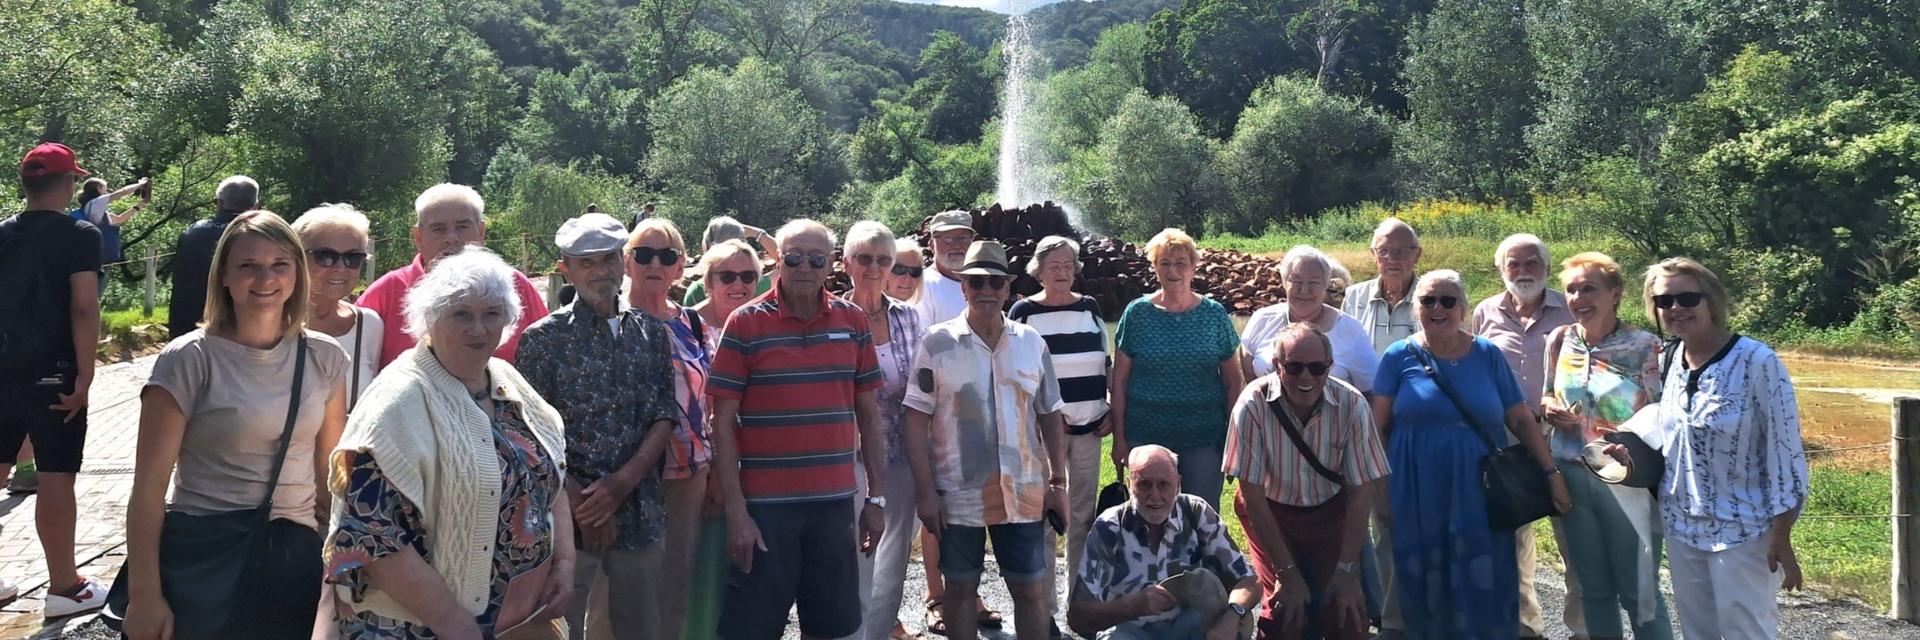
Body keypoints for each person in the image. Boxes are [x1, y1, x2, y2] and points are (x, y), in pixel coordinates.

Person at [324, 247, 574, 638]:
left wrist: (564, 563)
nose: (478, 328)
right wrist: (450, 621)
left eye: (491, 313)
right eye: (461, 314)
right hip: (418, 627)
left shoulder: (506, 379)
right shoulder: (398, 400)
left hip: (518, 622)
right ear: (430, 318)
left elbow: (553, 471)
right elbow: (372, 536)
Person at [123, 211, 350, 638]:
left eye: (279, 264)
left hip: (292, 560)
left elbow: (329, 478)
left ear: (297, 274)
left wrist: (336, 572)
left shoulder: (327, 357)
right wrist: (145, 595)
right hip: (208, 555)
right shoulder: (189, 359)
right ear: (224, 276)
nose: (265, 278)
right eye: (248, 265)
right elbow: (148, 491)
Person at [707, 219, 888, 639]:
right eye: (793, 256)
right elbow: (722, 421)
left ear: (830, 266)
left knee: (832, 628)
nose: (804, 266)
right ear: (778, 260)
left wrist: (875, 498)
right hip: (765, 511)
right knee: (751, 630)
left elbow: (870, 414)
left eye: (816, 258)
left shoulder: (853, 321)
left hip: (834, 506)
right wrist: (737, 514)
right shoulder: (745, 323)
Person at [1610, 258, 1807, 639]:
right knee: (1698, 633)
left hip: (1744, 530)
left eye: (1687, 298)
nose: (1676, 308)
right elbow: (1672, 432)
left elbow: (1785, 453)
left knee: (1746, 633)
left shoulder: (1757, 361)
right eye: (1664, 301)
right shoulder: (1671, 359)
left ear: (1711, 300)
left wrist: (1781, 535)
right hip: (1682, 525)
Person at [1370, 269, 1570, 639]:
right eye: (1428, 300)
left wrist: (1551, 473)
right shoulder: (1398, 356)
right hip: (1416, 485)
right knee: (1424, 574)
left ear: (1463, 308)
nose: (1437, 308)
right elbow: (1377, 429)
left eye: (1447, 300)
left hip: (1480, 488)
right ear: (1417, 308)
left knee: (1483, 574)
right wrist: (1380, 489)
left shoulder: (1487, 354)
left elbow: (1521, 419)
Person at [518, 213, 681, 640]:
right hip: (565, 518)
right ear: (565, 269)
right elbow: (530, 435)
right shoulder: (542, 339)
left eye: (607, 259)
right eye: (585, 262)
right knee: (555, 628)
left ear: (622, 262)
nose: (599, 271)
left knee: (642, 629)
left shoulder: (650, 331)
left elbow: (664, 414)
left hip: (640, 510)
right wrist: (583, 503)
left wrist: (621, 485)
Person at [903, 239, 1070, 640]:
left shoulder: (1032, 342)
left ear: (1008, 288)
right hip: (958, 493)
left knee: (1030, 590)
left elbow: (1050, 413)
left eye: (995, 283)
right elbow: (913, 419)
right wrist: (925, 492)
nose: (986, 291)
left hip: (1023, 491)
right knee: (959, 589)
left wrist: (1058, 483)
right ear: (963, 287)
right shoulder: (936, 343)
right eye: (976, 282)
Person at [1538, 252, 1673, 640]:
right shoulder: (1560, 339)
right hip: (1572, 476)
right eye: (1571, 289)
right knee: (1592, 589)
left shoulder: (1646, 346)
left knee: (1639, 592)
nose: (1579, 298)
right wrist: (1550, 408)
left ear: (1615, 294)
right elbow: (1547, 393)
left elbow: (1664, 416)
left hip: (1626, 482)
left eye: (1589, 289)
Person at [1226, 323, 1388, 640]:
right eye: (1294, 367)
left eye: (1316, 368)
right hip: (1272, 513)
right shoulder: (1252, 405)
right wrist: (1287, 573)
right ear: (1276, 366)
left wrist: (1347, 570)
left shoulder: (1352, 404)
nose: (1306, 378)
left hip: (1329, 512)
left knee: (1346, 613)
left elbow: (1360, 491)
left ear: (1329, 367)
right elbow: (1252, 497)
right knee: (1286, 613)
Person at [0, 142, 105, 614]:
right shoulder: (81, 233)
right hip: (54, 372)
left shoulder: (2, 233)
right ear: (67, 185)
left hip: (2, 370)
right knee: (56, 477)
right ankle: (64, 587)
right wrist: (84, 376)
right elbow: (84, 306)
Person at [1471, 233, 1579, 640]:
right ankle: (1526, 629)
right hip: (1508, 442)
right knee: (1514, 544)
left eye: (1531, 262)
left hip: (1563, 440)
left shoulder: (1570, 307)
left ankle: (1581, 628)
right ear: (1501, 270)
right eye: (1513, 264)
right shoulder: (1484, 313)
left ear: (1547, 268)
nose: (1522, 271)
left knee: (1573, 540)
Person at [1007, 234, 1110, 630]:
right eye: (1055, 266)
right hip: (1043, 436)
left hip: (1089, 429)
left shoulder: (1090, 307)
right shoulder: (1023, 311)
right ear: (1038, 271)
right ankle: (1044, 610)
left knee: (1082, 517)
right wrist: (1036, 417)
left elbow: (1105, 360)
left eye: (1069, 266)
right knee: (1045, 516)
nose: (1063, 273)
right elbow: (1014, 372)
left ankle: (1078, 605)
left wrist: (1111, 410)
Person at [622, 218, 718, 638]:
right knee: (620, 595)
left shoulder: (693, 324)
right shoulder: (611, 322)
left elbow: (711, 397)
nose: (654, 264)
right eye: (643, 254)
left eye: (666, 256)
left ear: (681, 267)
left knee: (675, 584)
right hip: (627, 478)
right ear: (627, 262)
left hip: (687, 474)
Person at [1110, 228, 1243, 510]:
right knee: (1147, 514)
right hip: (1145, 434)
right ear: (1155, 268)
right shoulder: (1136, 314)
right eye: (1164, 263)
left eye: (1180, 263)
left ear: (1194, 267)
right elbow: (1119, 381)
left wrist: (1232, 441)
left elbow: (1233, 381)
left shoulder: (1214, 314)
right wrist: (1119, 439)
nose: (1173, 270)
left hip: (1204, 437)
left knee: (1201, 516)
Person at [1068, 445, 1260, 639]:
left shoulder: (1196, 513)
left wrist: (1233, 614)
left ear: (1178, 484)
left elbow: (1250, 580)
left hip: (1188, 627)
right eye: (1145, 484)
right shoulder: (1109, 527)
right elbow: (1077, 617)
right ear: (1129, 483)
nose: (1155, 495)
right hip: (1130, 630)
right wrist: (1131, 607)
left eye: (1163, 485)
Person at [841, 222, 930, 640]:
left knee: (894, 559)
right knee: (858, 556)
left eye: (882, 260)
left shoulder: (910, 319)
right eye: (864, 258)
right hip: (851, 458)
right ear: (846, 264)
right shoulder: (833, 317)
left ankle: (877, 634)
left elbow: (924, 387)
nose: (873, 267)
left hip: (904, 453)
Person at [357, 183, 549, 369]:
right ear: (418, 237)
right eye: (438, 228)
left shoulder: (514, 285)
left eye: (462, 226)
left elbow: (546, 356)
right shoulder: (386, 292)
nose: (452, 238)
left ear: (481, 232)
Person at [683, 239, 764, 640]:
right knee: (706, 577)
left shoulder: (760, 324)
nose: (738, 284)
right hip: (707, 474)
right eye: (726, 276)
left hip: (760, 471)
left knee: (752, 583)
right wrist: (716, 471)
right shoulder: (688, 327)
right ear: (707, 280)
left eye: (747, 276)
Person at [1239, 246, 1379, 391]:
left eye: (1313, 282)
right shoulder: (1262, 320)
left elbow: (1372, 393)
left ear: (1326, 284)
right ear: (1284, 282)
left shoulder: (1351, 331)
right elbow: (1248, 380)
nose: (1304, 289)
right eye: (1296, 280)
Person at [292, 204, 383, 409]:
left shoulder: (368, 325)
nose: (340, 268)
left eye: (353, 258)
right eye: (325, 256)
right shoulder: (273, 322)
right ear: (297, 257)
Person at [169, 175, 257, 338]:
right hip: (239, 329)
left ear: (219, 203)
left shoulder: (193, 232)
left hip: (189, 325)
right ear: (256, 206)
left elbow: (179, 280)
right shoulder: (261, 236)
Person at [1342, 218, 1421, 357]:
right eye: (1383, 251)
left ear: (1417, 255)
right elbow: (1343, 351)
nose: (1392, 258)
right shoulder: (1354, 297)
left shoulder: (1433, 298)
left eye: (1401, 251)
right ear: (1373, 255)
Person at [72, 176, 149, 297]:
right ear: (98, 189)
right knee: (92, 297)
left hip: (103, 261)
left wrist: (137, 206)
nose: (107, 192)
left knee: (95, 296)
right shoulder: (95, 203)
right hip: (95, 262)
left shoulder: (96, 210)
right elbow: (121, 193)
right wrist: (141, 184)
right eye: (105, 189)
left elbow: (119, 219)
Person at [682, 215, 776, 306]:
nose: (737, 284)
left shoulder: (694, 292)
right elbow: (785, 260)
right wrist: (758, 233)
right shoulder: (752, 285)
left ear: (705, 246)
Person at [918, 210, 976, 326]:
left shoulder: (983, 283)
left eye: (963, 238)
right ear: (931, 245)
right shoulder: (922, 285)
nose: (957, 245)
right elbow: (921, 340)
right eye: (948, 238)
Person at [886, 239, 925, 306]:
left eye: (915, 271)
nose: (907, 278)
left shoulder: (911, 313)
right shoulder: (865, 313)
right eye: (899, 269)